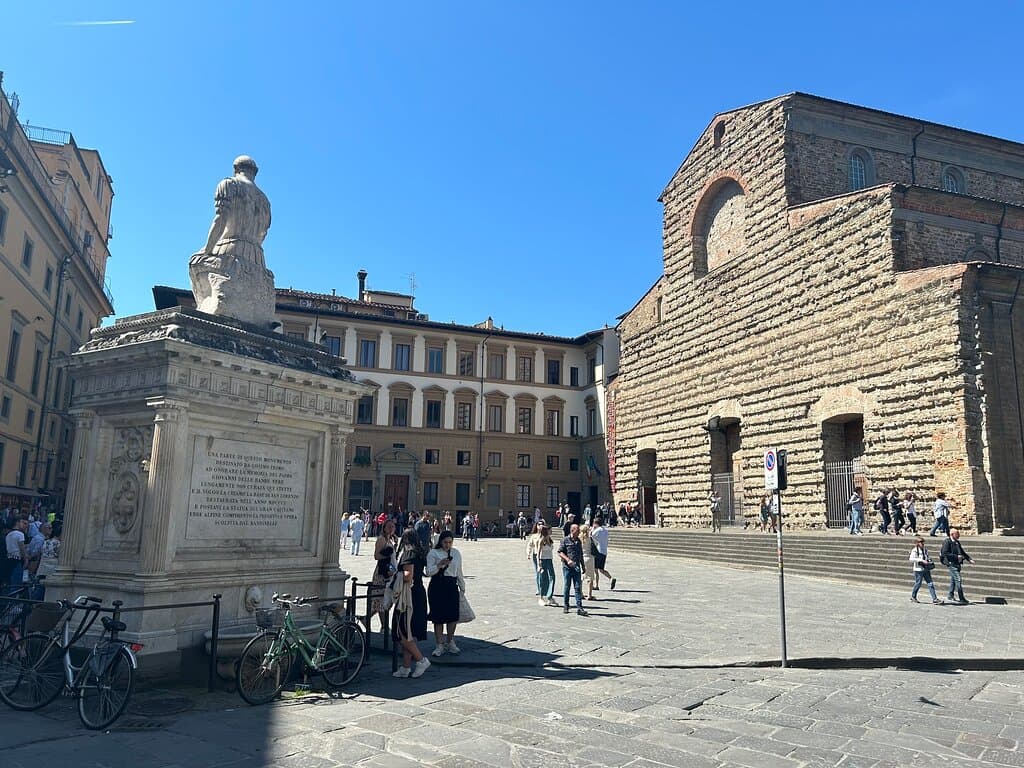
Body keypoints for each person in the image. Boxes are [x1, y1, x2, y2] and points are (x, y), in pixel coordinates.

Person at [189, 156, 276, 326]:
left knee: (194, 262)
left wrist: (207, 250)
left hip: (229, 250)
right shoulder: (265, 201)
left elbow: (221, 219)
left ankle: (206, 307)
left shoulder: (230, 184)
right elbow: (263, 234)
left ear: (235, 169)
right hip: (258, 259)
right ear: (255, 173)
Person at [392, 529, 431, 678]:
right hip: (419, 594)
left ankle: (421, 660)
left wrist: (395, 575)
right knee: (410, 633)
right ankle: (405, 667)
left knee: (402, 630)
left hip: (408, 596)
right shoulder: (420, 553)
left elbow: (408, 576)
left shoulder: (409, 554)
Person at [425, 531, 465, 657]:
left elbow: (459, 570)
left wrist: (462, 586)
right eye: (445, 542)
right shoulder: (433, 553)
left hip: (451, 585)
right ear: (440, 541)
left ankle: (450, 641)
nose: (447, 545)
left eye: (450, 542)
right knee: (438, 617)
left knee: (452, 616)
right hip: (437, 585)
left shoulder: (456, 553)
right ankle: (439, 644)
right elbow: (428, 572)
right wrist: (440, 565)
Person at [557, 524, 588, 616]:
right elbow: (560, 552)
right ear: (572, 530)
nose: (579, 532)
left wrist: (583, 566)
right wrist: (568, 560)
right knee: (567, 586)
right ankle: (566, 605)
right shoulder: (565, 540)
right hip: (567, 567)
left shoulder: (578, 541)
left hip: (577, 567)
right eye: (577, 530)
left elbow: (580, 554)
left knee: (578, 587)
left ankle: (580, 607)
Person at [370, 519, 398, 617]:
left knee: (384, 599)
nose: (391, 529)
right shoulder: (381, 539)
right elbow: (377, 556)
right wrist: (389, 553)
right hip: (382, 572)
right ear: (384, 528)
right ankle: (383, 626)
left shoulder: (390, 539)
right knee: (381, 599)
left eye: (393, 527)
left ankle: (366, 619)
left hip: (389, 571)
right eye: (389, 526)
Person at [940, 528, 974, 604]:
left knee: (953, 581)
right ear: (952, 534)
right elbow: (944, 553)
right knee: (958, 580)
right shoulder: (947, 542)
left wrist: (969, 559)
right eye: (957, 534)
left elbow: (962, 552)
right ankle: (961, 598)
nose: (959, 535)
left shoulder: (957, 542)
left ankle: (950, 595)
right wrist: (956, 557)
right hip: (951, 564)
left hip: (957, 564)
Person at [908, 536, 940, 604]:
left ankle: (935, 599)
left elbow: (927, 557)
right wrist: (921, 560)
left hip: (925, 569)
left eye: (923, 542)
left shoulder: (925, 550)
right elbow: (911, 559)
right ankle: (913, 597)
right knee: (918, 584)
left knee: (930, 583)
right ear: (917, 543)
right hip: (918, 570)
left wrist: (929, 561)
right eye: (921, 542)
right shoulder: (915, 550)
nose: (922, 543)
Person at [590, 517, 616, 591]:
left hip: (598, 551)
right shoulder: (605, 530)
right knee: (601, 569)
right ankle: (611, 578)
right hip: (604, 551)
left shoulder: (597, 530)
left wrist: (592, 529)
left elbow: (590, 536)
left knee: (595, 569)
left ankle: (596, 585)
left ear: (595, 523)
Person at [535, 525, 558, 607]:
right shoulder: (541, 540)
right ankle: (541, 598)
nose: (551, 531)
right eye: (550, 530)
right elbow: (538, 553)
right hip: (543, 560)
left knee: (552, 577)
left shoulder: (550, 540)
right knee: (543, 578)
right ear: (546, 531)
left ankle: (550, 596)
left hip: (549, 560)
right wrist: (539, 564)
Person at [4, 518, 28, 594]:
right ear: (18, 522)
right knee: (16, 584)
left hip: (8, 559)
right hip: (17, 560)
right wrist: (26, 559)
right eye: (23, 523)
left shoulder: (8, 535)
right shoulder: (20, 534)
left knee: (9, 582)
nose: (26, 526)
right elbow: (21, 547)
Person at [579, 525, 597, 599]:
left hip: (581, 558)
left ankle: (580, 593)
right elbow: (596, 544)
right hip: (589, 558)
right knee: (590, 577)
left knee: (581, 577)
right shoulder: (590, 539)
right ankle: (589, 594)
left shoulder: (578, 539)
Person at [525, 522, 542, 595]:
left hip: (544, 556)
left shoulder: (546, 535)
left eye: (542, 524)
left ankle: (545, 587)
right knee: (538, 572)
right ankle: (539, 588)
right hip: (536, 555)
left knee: (544, 572)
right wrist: (528, 553)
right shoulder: (534, 536)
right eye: (539, 524)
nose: (540, 525)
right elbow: (530, 545)